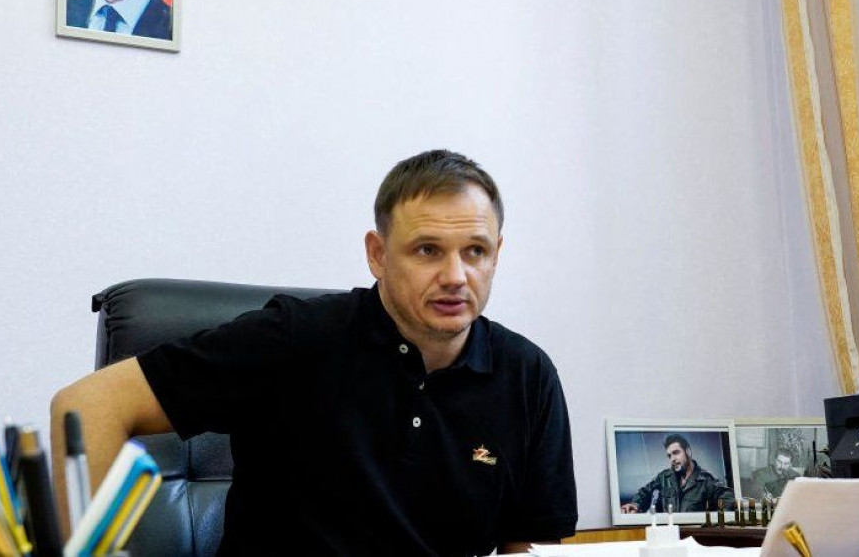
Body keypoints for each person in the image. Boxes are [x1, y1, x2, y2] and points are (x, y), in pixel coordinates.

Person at [50, 150, 577, 555]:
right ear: (377, 254)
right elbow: (87, 406)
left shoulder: (527, 374)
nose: (456, 276)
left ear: (496, 255)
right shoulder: (294, 339)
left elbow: (527, 545)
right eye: (427, 250)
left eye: (475, 251)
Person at [620, 434, 734, 514]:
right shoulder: (664, 477)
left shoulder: (706, 481)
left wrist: (712, 522)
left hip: (693, 534)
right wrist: (635, 504)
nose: (672, 459)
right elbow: (644, 492)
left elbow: (729, 499)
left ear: (688, 451)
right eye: (669, 456)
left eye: (676, 453)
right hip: (669, 533)